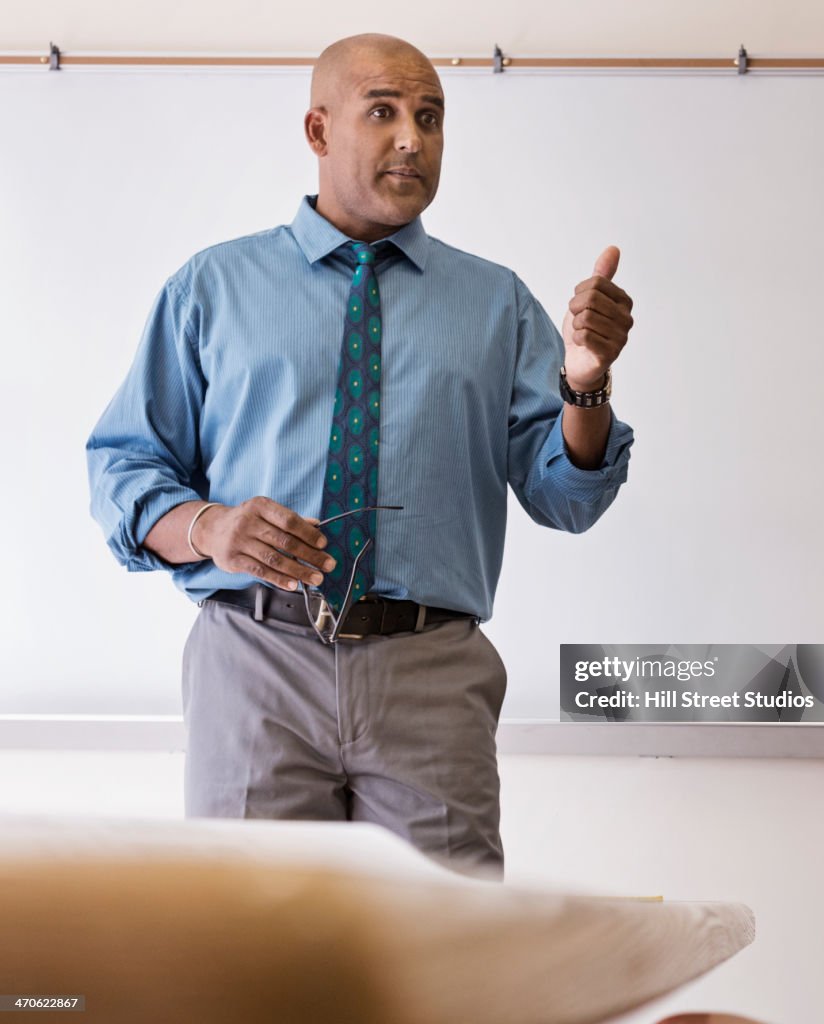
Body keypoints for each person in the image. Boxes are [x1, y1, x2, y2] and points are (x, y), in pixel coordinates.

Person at [86, 33, 635, 879]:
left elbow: (570, 497)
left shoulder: (497, 304)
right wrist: (210, 527)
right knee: (251, 964)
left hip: (429, 673)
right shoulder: (212, 287)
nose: (412, 138)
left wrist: (586, 387)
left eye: (431, 117)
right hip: (254, 660)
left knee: (443, 969)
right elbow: (125, 468)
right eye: (383, 112)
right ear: (318, 130)